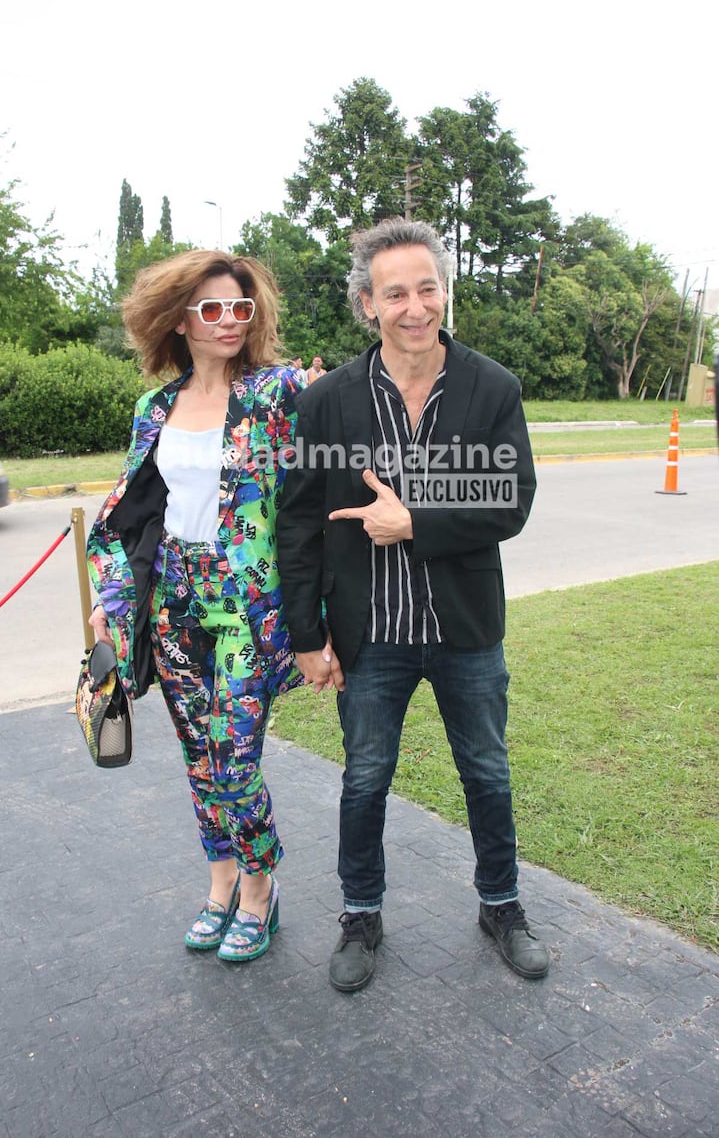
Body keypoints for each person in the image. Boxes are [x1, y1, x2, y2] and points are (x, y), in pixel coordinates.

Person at [276, 217, 549, 992]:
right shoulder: (328, 402)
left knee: (487, 773)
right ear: (367, 303)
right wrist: (305, 634)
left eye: (427, 288)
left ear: (443, 293)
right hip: (371, 636)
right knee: (364, 778)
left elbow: (510, 498)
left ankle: (500, 905)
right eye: (395, 292)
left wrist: (414, 522)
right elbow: (297, 521)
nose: (414, 306)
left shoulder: (490, 386)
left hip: (464, 631)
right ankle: (360, 916)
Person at [86, 250, 306, 963]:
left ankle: (259, 890)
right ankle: (218, 884)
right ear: (179, 320)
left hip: (244, 610)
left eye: (239, 308)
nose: (228, 321)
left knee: (234, 756)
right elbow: (129, 516)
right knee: (197, 757)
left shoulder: (277, 394)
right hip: (174, 606)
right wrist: (111, 606)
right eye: (211, 309)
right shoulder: (155, 408)